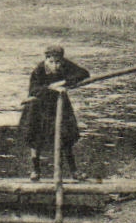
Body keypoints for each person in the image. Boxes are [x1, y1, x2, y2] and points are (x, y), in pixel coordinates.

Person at [21, 45, 91, 181]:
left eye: (58, 62)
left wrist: (64, 82)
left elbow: (84, 73)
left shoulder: (65, 65)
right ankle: (35, 170)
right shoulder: (39, 70)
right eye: (51, 62)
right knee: (35, 137)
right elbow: (34, 91)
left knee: (66, 136)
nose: (55, 65)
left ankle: (74, 171)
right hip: (39, 107)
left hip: (59, 105)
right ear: (46, 59)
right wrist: (51, 88)